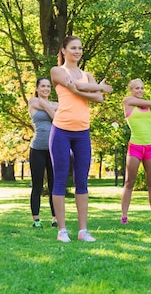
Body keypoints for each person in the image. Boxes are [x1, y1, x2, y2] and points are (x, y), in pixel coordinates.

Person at [50, 36, 112, 242]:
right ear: (64, 50)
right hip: (61, 130)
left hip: (82, 132)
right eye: (73, 48)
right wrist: (96, 88)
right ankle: (62, 230)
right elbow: (77, 87)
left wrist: (87, 89)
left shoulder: (87, 75)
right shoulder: (57, 71)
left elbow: (98, 98)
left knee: (82, 181)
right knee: (59, 179)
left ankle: (83, 231)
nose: (77, 51)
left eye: (80, 48)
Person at [120, 79, 151, 225]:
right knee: (129, 182)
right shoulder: (128, 101)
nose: (140, 90)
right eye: (137, 88)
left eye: (142, 88)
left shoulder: (148, 105)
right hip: (135, 147)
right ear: (131, 90)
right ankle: (124, 215)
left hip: (150, 147)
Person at [27, 77, 58, 228]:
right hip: (37, 149)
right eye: (43, 86)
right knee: (37, 185)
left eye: (48, 86)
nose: (46, 89)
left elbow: (57, 118)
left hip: (54, 149)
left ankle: (55, 218)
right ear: (37, 88)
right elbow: (53, 114)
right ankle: (36, 219)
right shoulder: (32, 101)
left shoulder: (57, 104)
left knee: (54, 185)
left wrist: (47, 106)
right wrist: (50, 108)